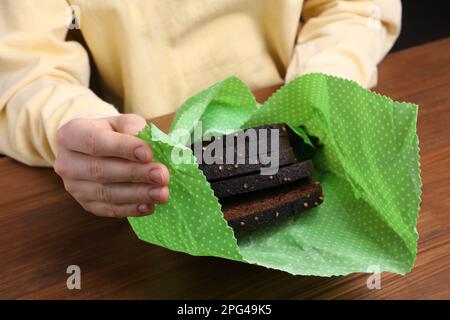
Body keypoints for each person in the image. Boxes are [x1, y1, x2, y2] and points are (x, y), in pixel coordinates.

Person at [0, 0, 401, 218]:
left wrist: (320, 89)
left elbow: (352, 7)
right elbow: (25, 71)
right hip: (150, 177)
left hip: (307, 141)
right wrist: (81, 128)